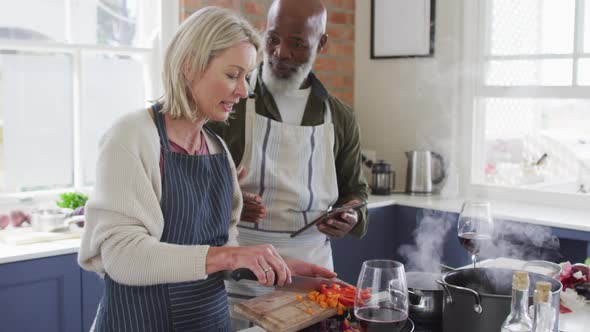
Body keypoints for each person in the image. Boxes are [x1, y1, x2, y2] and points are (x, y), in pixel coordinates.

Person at [78, 6, 335, 332]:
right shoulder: (132, 136)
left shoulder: (217, 150)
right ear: (189, 65)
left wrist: (281, 268)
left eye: (246, 76)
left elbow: (222, 252)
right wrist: (229, 257)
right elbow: (122, 256)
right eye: (232, 75)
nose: (244, 90)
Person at [209, 0, 369, 326]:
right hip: (240, 267)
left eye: (298, 43)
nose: (281, 52)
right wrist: (230, 199)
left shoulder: (339, 116)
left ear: (321, 43)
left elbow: (355, 191)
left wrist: (351, 215)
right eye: (272, 38)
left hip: (311, 273)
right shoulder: (230, 103)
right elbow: (190, 182)